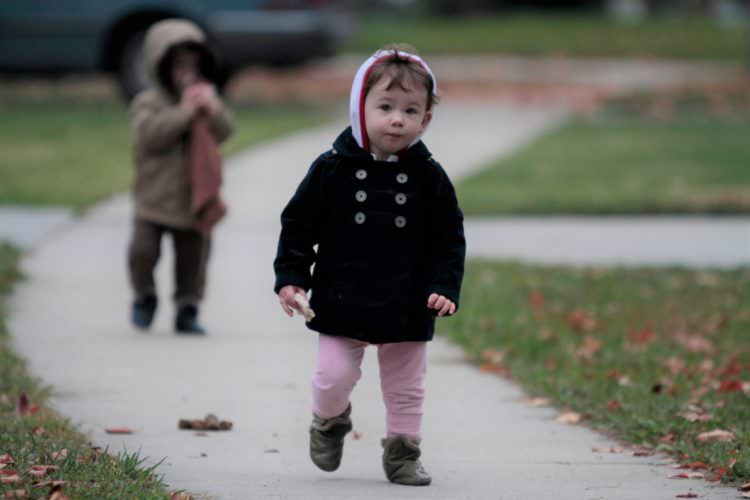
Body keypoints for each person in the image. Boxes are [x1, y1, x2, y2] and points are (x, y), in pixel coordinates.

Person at [273, 44, 465, 486]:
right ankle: (330, 420)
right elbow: (298, 226)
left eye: (411, 110)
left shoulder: (431, 178)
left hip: (408, 299)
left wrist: (444, 286)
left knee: (406, 386)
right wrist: (291, 280)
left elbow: (449, 240)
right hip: (343, 295)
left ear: (426, 120)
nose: (397, 119)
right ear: (360, 109)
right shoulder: (332, 169)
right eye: (385, 106)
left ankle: (403, 452)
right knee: (331, 375)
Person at [128, 19, 233, 335]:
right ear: (158, 67)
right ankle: (144, 296)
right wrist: (184, 113)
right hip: (154, 198)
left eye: (193, 65)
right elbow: (150, 137)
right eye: (178, 66)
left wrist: (213, 110)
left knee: (193, 258)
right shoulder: (149, 103)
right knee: (142, 252)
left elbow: (225, 131)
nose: (187, 74)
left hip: (192, 198)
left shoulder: (205, 100)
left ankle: (187, 307)